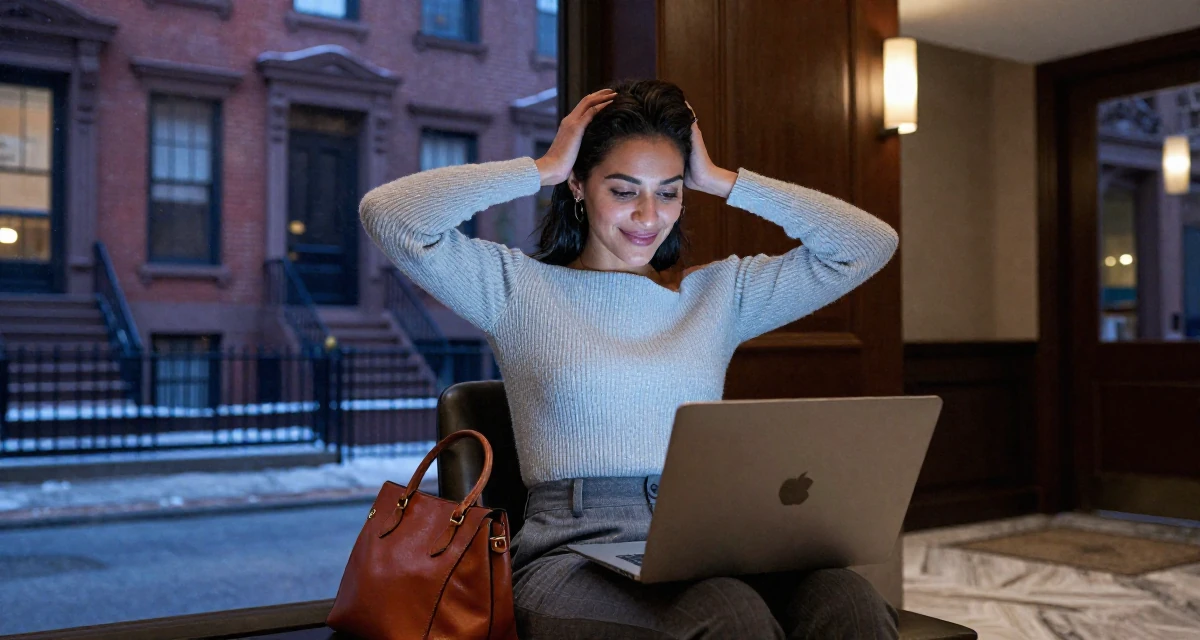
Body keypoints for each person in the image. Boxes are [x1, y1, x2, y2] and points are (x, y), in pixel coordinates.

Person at [359, 79, 900, 639]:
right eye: (623, 191)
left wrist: (722, 180)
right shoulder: (514, 290)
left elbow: (866, 244)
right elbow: (391, 215)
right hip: (570, 553)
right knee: (728, 614)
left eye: (668, 192)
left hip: (707, 539)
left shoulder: (720, 297)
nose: (648, 215)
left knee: (848, 599)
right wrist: (539, 167)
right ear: (578, 185)